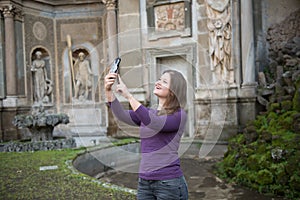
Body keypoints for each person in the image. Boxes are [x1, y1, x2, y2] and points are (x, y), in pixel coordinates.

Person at [105, 69, 189, 200]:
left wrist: (129, 96)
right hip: (145, 182)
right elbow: (121, 114)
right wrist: (108, 90)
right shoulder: (149, 113)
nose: (158, 82)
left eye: (164, 81)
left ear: (173, 91)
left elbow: (155, 123)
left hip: (168, 183)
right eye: (159, 79)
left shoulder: (179, 115)